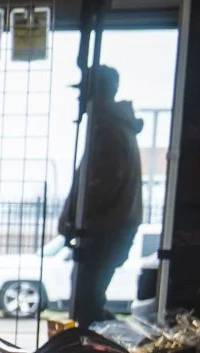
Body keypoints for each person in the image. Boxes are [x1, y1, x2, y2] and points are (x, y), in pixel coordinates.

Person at [60, 64, 144, 325]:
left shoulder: (108, 129)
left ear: (96, 91)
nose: (78, 97)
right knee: (89, 300)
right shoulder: (113, 125)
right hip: (109, 226)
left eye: (83, 90)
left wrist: (74, 221)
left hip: (102, 228)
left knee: (86, 304)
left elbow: (99, 187)